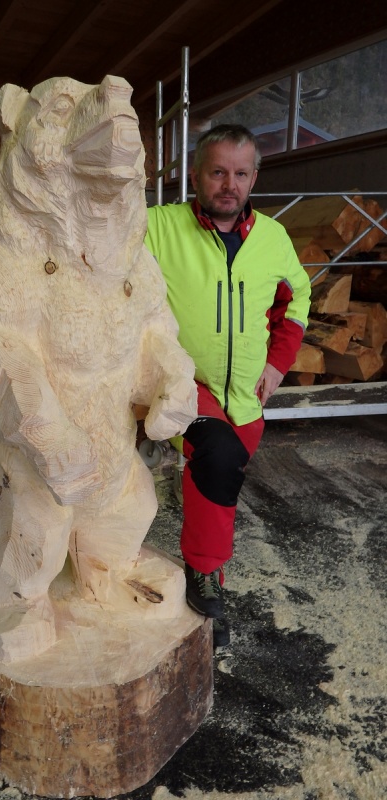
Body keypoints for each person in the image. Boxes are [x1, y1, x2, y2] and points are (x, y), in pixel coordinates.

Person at [145, 124, 311, 647]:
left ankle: (207, 566)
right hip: (183, 382)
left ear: (254, 178)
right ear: (196, 175)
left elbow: (296, 299)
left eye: (240, 173)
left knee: (216, 478)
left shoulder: (274, 238)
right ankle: (205, 578)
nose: (228, 184)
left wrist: (278, 364)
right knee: (216, 458)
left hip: (246, 397)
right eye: (217, 172)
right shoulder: (157, 227)